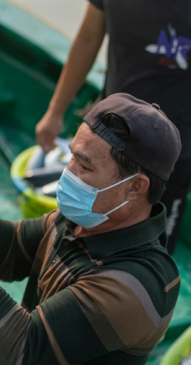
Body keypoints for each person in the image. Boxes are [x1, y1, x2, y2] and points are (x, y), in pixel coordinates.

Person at [0, 94, 181, 364]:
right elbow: (9, 250)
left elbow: (23, 351)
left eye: (84, 167)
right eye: (71, 157)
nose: (68, 173)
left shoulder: (135, 286)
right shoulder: (85, 221)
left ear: (135, 187)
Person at [35, 0, 191, 254]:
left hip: (171, 156)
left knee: (155, 253)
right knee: (76, 235)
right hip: (106, 138)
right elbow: (88, 38)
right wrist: (55, 112)